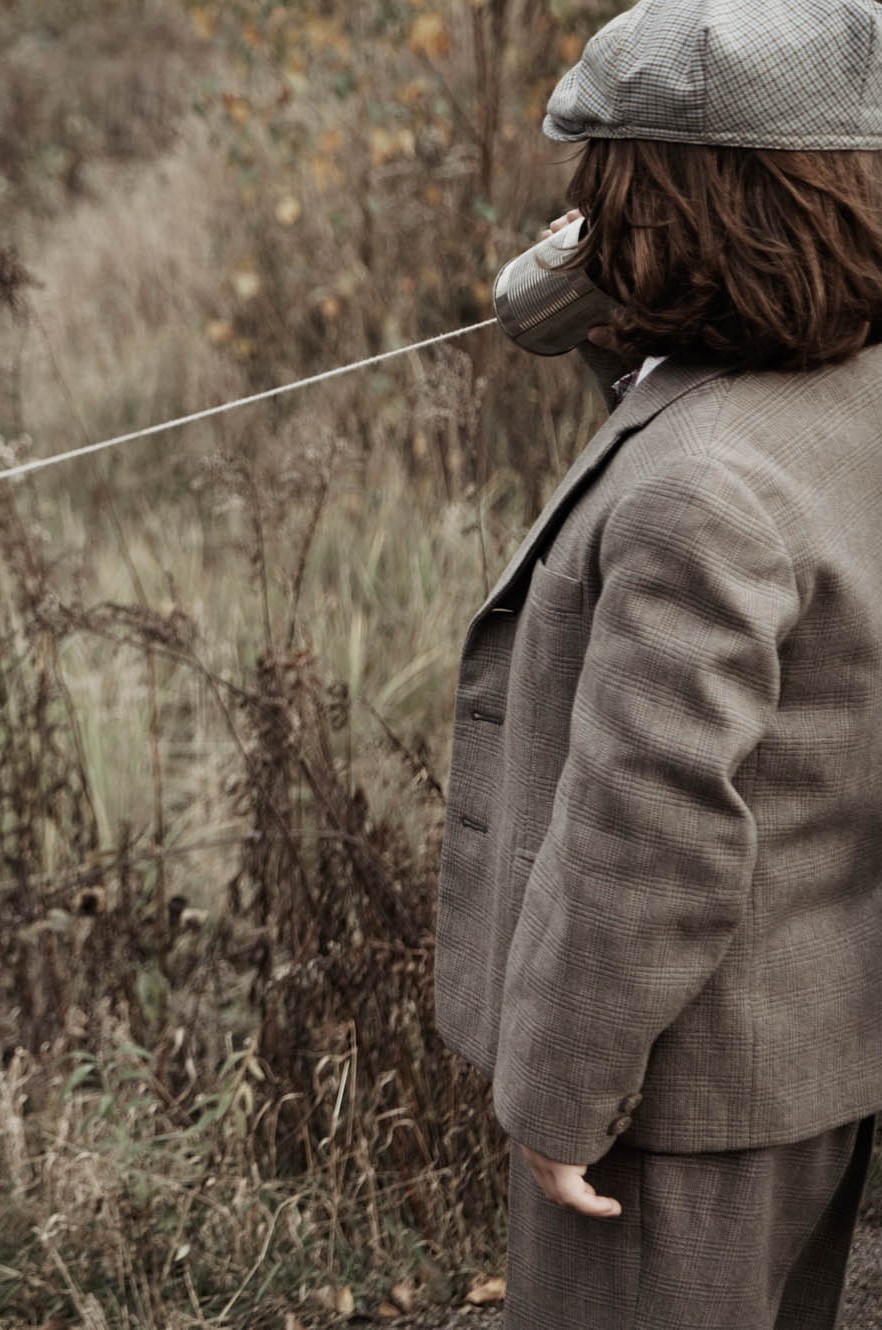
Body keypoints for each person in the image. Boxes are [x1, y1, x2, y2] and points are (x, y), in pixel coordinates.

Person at [435, 2, 882, 1326]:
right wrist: (606, 281)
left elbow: (651, 833)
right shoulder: (837, 397)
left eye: (606, 188)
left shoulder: (702, 492)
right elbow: (679, 383)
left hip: (666, 1101)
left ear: (664, 216)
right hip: (809, 1059)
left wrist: (567, 1089)